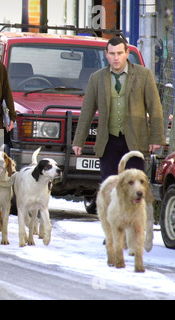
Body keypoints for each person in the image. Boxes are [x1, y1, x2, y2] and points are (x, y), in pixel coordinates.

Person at [72, 36, 165, 214]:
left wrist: (156, 138)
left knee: (135, 190)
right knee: (110, 189)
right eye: (112, 54)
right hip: (108, 142)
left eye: (120, 53)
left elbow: (155, 107)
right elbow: (87, 112)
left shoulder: (144, 75)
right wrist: (79, 141)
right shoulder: (96, 78)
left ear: (127, 53)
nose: (116, 58)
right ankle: (113, 233)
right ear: (106, 55)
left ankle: (132, 230)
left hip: (135, 142)